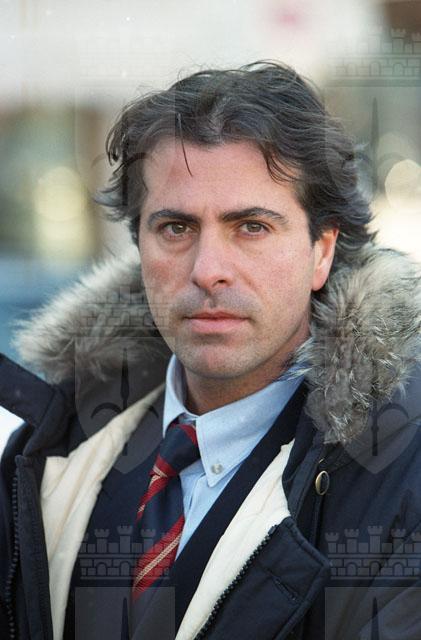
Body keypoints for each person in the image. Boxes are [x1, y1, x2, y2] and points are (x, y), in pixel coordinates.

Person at [1, 61, 420, 640]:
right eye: (176, 228)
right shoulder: (54, 443)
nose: (208, 270)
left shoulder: (399, 470)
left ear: (322, 251)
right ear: (138, 243)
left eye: (251, 227)